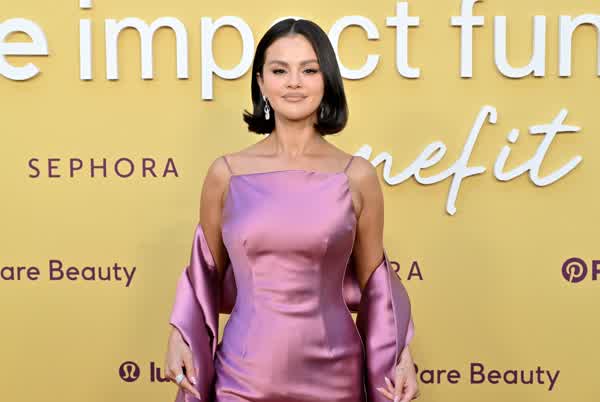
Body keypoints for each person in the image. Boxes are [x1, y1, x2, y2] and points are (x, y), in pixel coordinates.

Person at [164, 18, 419, 402]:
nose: (294, 82)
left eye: (309, 70)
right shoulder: (226, 174)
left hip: (335, 377)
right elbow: (204, 274)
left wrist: (401, 356)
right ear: (261, 82)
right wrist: (180, 335)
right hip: (242, 376)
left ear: (327, 79)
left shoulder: (357, 176)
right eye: (280, 70)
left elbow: (376, 285)